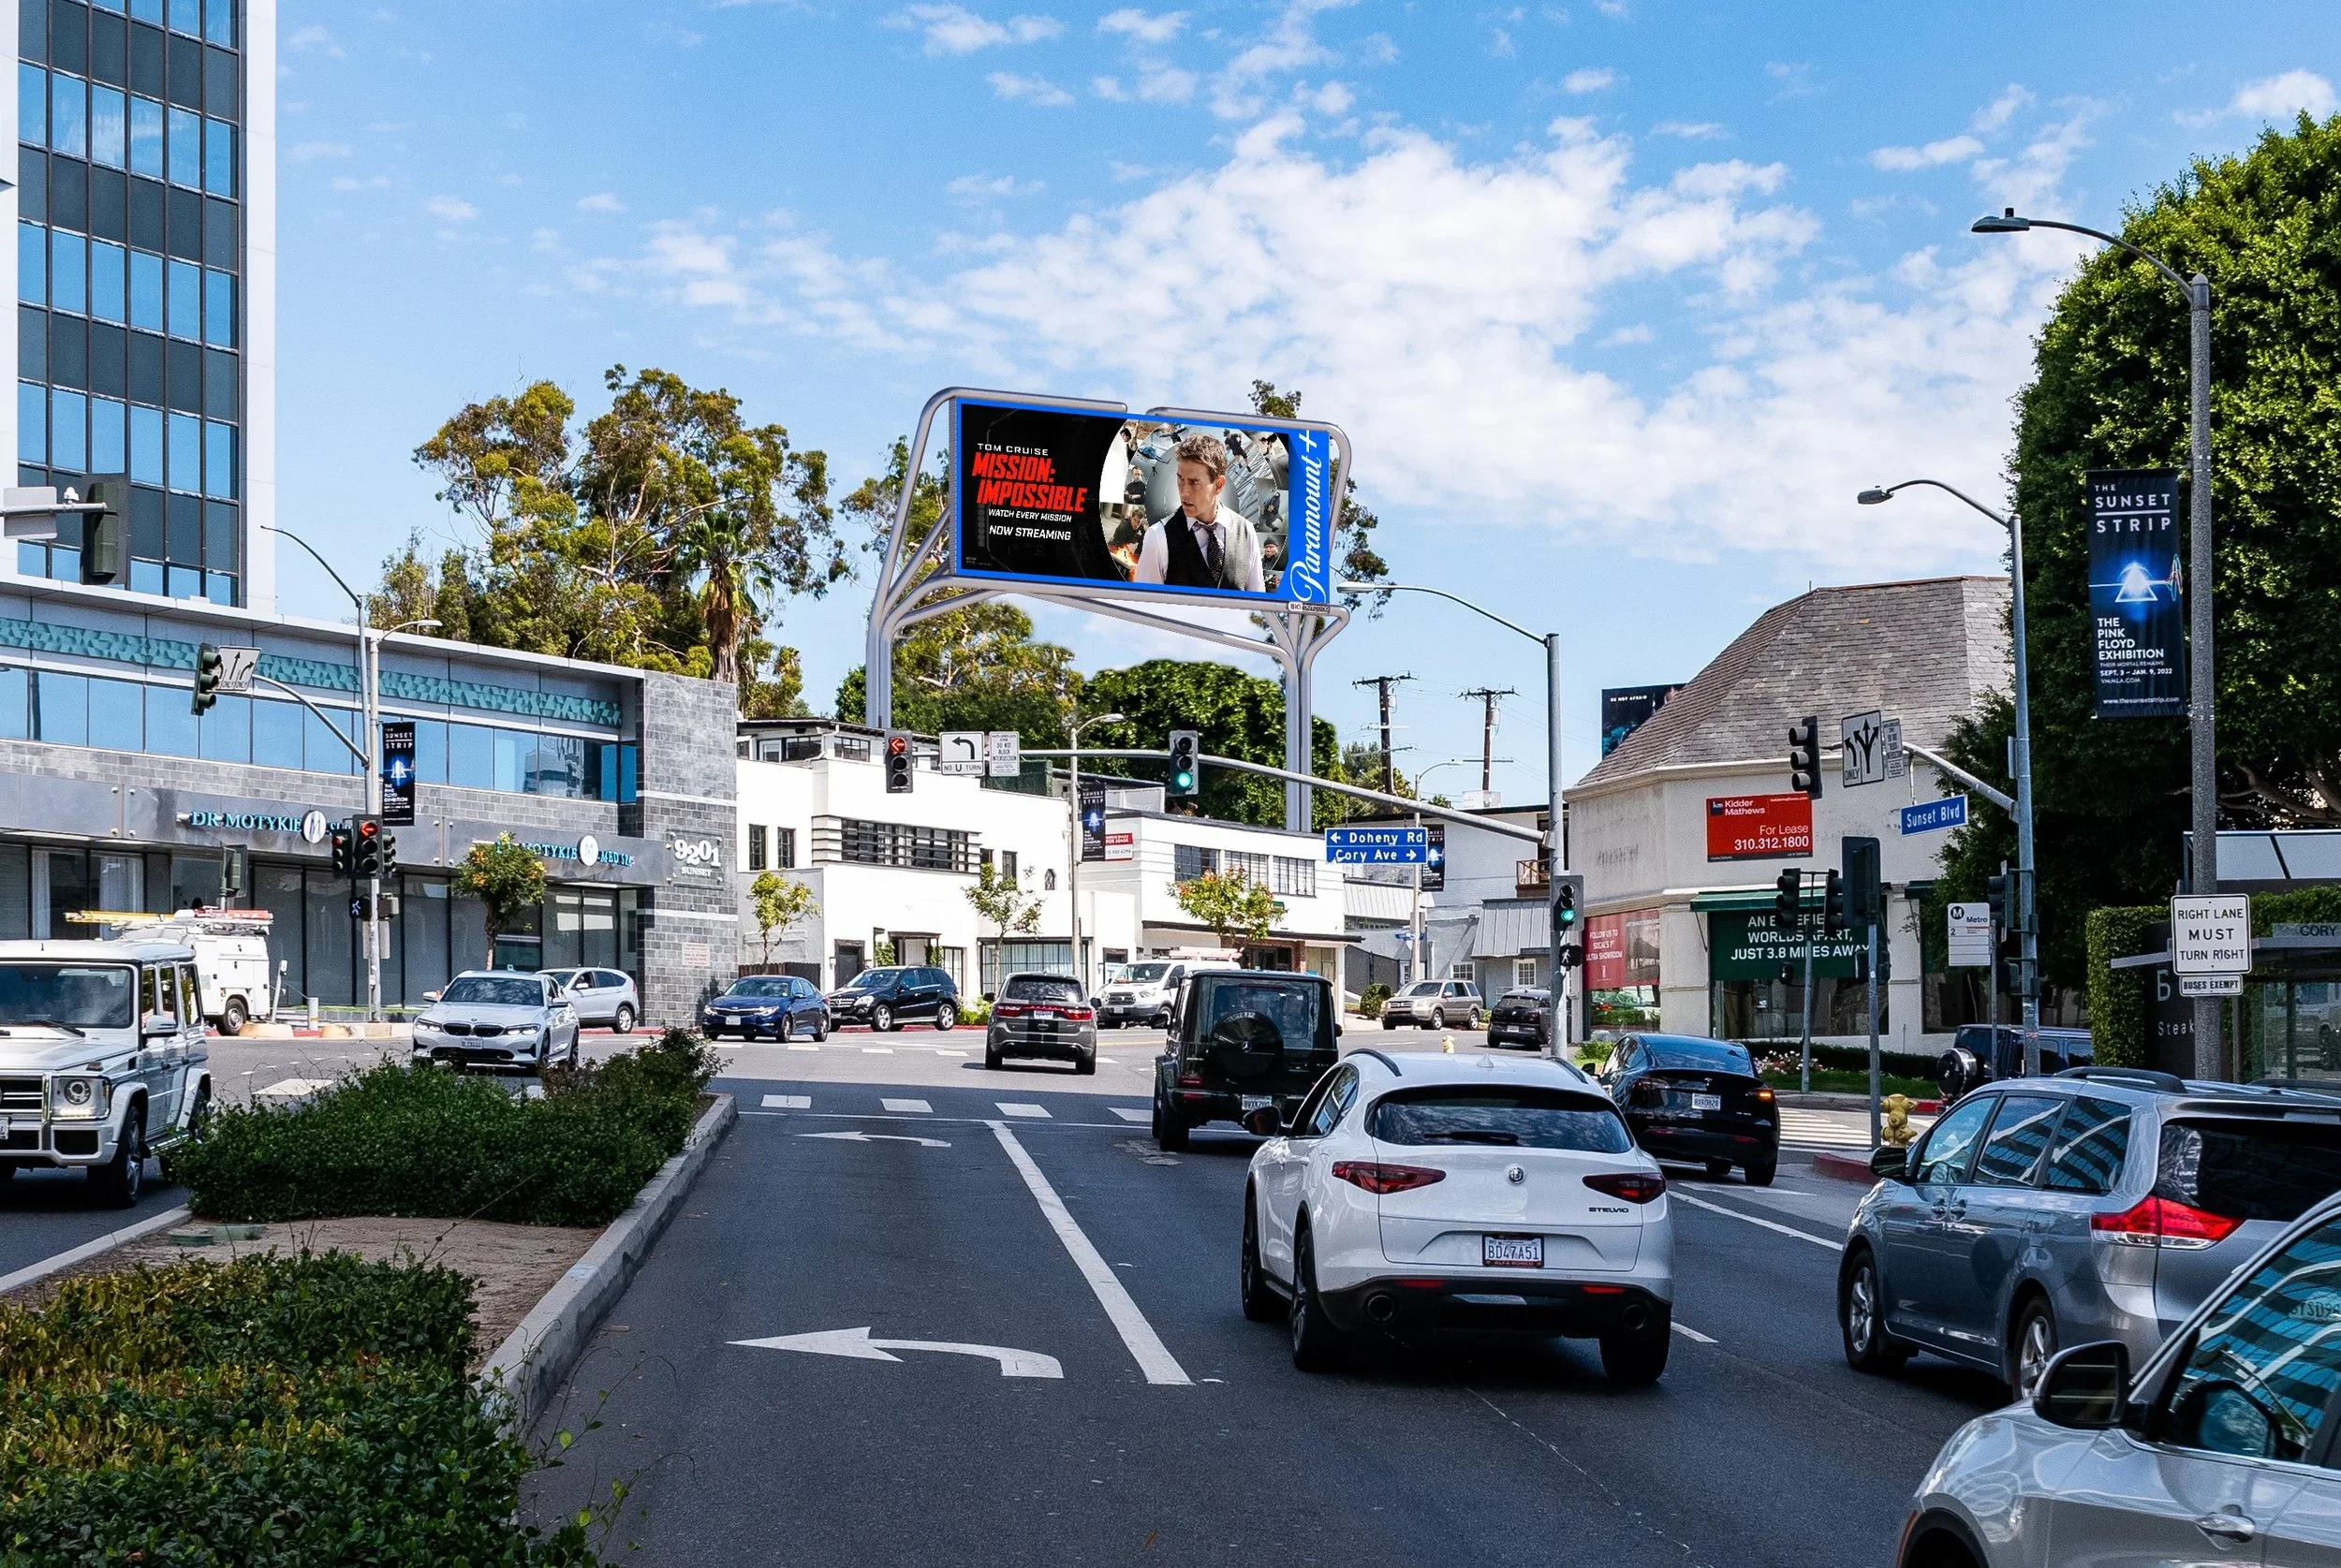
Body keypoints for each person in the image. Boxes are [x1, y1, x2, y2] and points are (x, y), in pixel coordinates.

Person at [1132, 433, 1266, 593]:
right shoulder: (1157, 537)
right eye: (1180, 479)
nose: (1184, 493)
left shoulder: (1247, 532)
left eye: (1194, 482)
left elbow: (1258, 606)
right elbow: (1146, 608)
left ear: (1219, 485)